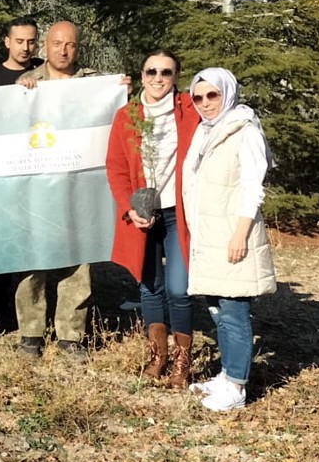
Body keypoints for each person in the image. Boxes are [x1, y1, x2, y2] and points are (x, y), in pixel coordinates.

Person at [181, 67, 276, 412]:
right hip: (208, 235)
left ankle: (237, 386)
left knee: (234, 311)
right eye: (198, 97)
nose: (205, 103)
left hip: (232, 234)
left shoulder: (244, 130)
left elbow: (253, 187)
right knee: (217, 309)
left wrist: (240, 234)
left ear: (228, 93)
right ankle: (226, 374)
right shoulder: (206, 130)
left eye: (213, 95)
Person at [106, 50, 199, 386]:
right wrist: (128, 207)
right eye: (151, 72)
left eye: (166, 72)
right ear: (141, 75)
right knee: (150, 287)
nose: (158, 78)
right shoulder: (127, 116)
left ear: (176, 77)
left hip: (177, 213)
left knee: (179, 288)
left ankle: (181, 360)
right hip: (143, 213)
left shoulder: (189, 109)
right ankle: (157, 355)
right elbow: (116, 167)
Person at [14, 20, 98, 359]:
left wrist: (119, 89)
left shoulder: (94, 83)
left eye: (71, 45)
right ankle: (30, 332)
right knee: (33, 261)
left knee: (77, 261)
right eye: (57, 44)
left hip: (79, 186)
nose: (63, 51)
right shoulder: (27, 82)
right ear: (45, 46)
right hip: (37, 188)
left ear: (78, 48)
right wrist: (21, 94)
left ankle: (70, 335)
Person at [0, 18, 39, 86]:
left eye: (31, 42)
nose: (25, 48)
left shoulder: (44, 71)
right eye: (19, 42)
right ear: (7, 42)